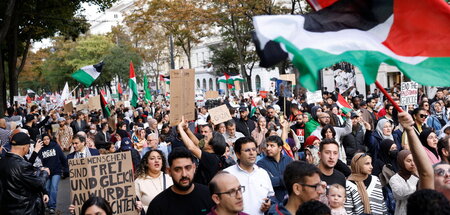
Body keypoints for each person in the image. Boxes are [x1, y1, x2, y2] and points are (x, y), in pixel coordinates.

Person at [146, 147, 214, 215]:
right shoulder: (158, 205)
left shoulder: (209, 195)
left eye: (188, 168)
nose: (184, 174)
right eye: (178, 169)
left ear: (194, 168)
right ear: (169, 171)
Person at [0, 132, 50, 214]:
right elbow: (39, 183)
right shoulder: (22, 166)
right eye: (29, 146)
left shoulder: (2, 161)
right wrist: (44, 172)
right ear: (24, 147)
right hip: (25, 209)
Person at [224, 137, 273, 215]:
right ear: (238, 154)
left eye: (254, 149)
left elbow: (271, 196)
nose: (252, 153)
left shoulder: (263, 173)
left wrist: (269, 204)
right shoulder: (227, 174)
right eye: (247, 150)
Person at [178, 116, 228, 185]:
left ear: (210, 147)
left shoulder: (211, 158)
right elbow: (198, 143)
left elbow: (191, 147)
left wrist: (180, 128)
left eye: (206, 139)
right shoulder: (213, 155)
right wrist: (186, 129)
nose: (203, 139)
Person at [38, 133, 68, 214]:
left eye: (47, 139)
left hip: (56, 171)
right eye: (44, 139)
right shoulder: (41, 149)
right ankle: (48, 205)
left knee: (54, 188)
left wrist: (66, 169)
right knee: (46, 188)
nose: (46, 141)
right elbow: (39, 162)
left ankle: (52, 206)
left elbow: (62, 157)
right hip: (45, 173)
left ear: (50, 139)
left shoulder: (55, 146)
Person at [257, 135, 293, 202]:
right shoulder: (261, 163)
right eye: (267, 145)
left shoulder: (289, 160)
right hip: (272, 202)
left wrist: (277, 180)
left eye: (272, 146)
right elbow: (267, 183)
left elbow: (294, 179)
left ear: (280, 148)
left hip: (290, 200)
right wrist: (285, 179)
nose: (268, 148)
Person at [388, 150, 418, 215]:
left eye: (414, 160)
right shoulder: (394, 179)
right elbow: (401, 194)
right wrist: (414, 176)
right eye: (409, 161)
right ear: (401, 162)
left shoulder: (420, 176)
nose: (413, 164)